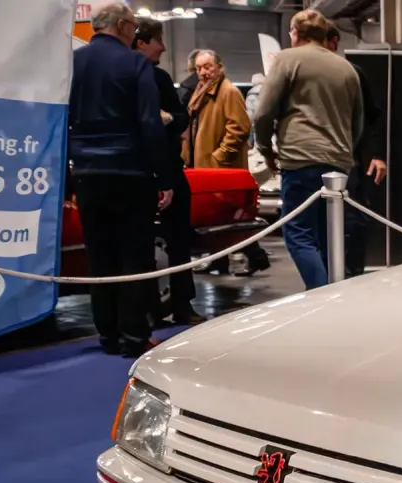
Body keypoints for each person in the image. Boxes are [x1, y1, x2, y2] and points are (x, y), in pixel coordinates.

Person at [69, 2, 173, 357]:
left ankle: (108, 335)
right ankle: (133, 337)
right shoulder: (135, 63)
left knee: (99, 258)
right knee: (134, 258)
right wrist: (163, 175)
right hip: (130, 172)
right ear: (124, 26)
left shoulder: (73, 63)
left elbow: (61, 118)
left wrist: (69, 177)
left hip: (86, 172)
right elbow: (149, 122)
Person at [254, 9, 363, 289]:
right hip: (339, 163)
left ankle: (319, 295)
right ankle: (331, 294)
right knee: (330, 236)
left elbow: (263, 113)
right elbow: (358, 121)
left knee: (299, 233)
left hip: (300, 158)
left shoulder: (288, 59)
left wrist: (266, 150)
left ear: (295, 33)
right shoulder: (346, 68)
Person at [133, 19, 202, 325]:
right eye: (158, 40)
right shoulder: (137, 76)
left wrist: (168, 119)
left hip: (168, 168)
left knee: (178, 240)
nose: (163, 47)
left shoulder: (160, 78)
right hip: (145, 170)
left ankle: (182, 304)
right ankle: (149, 310)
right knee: (142, 244)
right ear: (141, 42)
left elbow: (181, 118)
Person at [185, 50, 269, 274]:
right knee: (218, 218)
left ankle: (255, 257)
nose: (203, 72)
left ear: (219, 67)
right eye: (199, 68)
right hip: (207, 167)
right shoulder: (202, 92)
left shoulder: (228, 92)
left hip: (221, 169)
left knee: (231, 217)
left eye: (207, 66)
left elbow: (240, 127)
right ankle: (221, 260)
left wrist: (220, 157)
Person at [325, 24, 386, 278]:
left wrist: (375, 155)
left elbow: (373, 116)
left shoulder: (351, 72)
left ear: (333, 42)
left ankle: (350, 277)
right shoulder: (302, 70)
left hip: (350, 160)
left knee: (353, 222)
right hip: (319, 159)